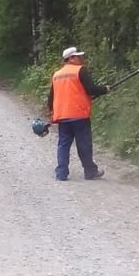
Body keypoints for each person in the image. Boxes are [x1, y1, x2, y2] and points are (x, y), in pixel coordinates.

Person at [46, 47, 110, 181]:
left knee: (63, 144)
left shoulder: (57, 74)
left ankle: (61, 174)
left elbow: (51, 97)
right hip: (79, 114)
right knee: (84, 144)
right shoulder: (80, 70)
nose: (81, 59)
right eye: (77, 56)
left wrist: (52, 113)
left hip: (62, 116)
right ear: (70, 58)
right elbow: (91, 89)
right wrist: (105, 89)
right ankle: (90, 171)